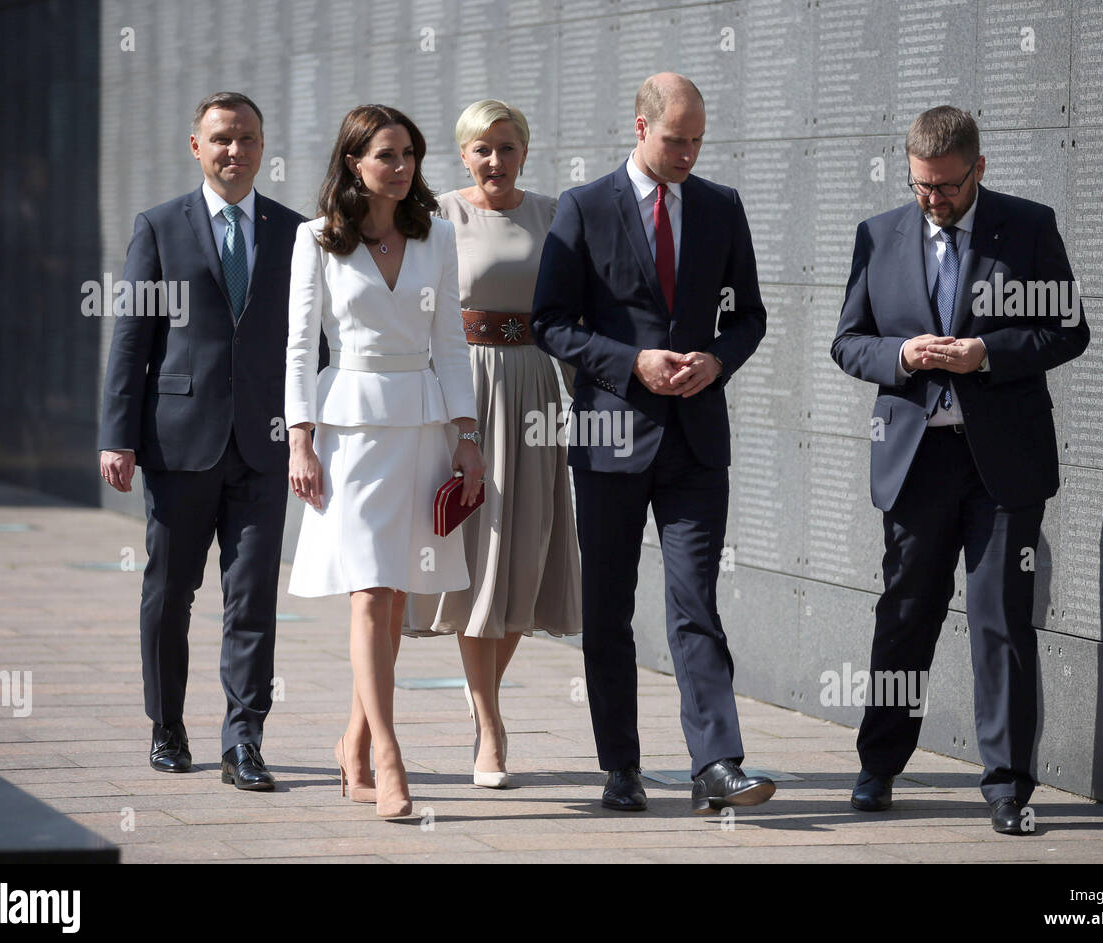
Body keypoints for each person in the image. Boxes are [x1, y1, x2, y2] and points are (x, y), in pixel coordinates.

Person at [830, 105, 1090, 834]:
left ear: (979, 168)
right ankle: (878, 765)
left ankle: (1008, 784)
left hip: (1003, 466)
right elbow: (848, 342)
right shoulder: (878, 236)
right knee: (905, 614)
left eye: (946, 186)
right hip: (916, 462)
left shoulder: (1029, 226)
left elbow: (1069, 328)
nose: (933, 201)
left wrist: (988, 354)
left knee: (1002, 619)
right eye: (921, 186)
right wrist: (903, 356)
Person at [532, 73, 772, 815]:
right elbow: (551, 322)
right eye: (677, 139)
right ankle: (621, 767)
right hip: (610, 435)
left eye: (699, 139)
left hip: (696, 442)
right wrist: (629, 361)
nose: (689, 153)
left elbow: (750, 316)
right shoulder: (582, 207)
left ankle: (716, 764)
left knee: (695, 600)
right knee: (608, 606)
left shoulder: (721, 207)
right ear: (640, 129)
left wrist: (718, 359)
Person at [99, 91, 304, 791]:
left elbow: (315, 344)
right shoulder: (158, 227)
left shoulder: (295, 232)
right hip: (178, 444)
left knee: (251, 598)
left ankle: (243, 740)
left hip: (265, 446)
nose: (234, 150)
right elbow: (131, 341)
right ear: (196, 146)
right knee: (169, 591)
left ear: (262, 145)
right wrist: (116, 436)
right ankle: (167, 724)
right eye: (221, 138)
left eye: (247, 137)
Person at [285, 104, 485, 820]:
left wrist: (468, 434)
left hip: (423, 423)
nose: (401, 168)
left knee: (397, 597)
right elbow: (301, 346)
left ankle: (353, 743)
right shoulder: (316, 240)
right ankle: (392, 759)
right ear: (353, 162)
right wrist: (300, 437)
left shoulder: (434, 235)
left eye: (409, 155)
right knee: (368, 593)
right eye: (387, 156)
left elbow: (453, 344)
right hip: (348, 430)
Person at [405, 100, 582, 790]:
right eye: (482, 149)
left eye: (507, 148)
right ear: (463, 154)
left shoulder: (553, 214)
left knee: (525, 555)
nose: (495, 161)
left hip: (535, 387)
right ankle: (490, 723)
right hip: (466, 389)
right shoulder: (440, 214)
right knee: (477, 557)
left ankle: (487, 710)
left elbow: (570, 309)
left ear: (524, 151)